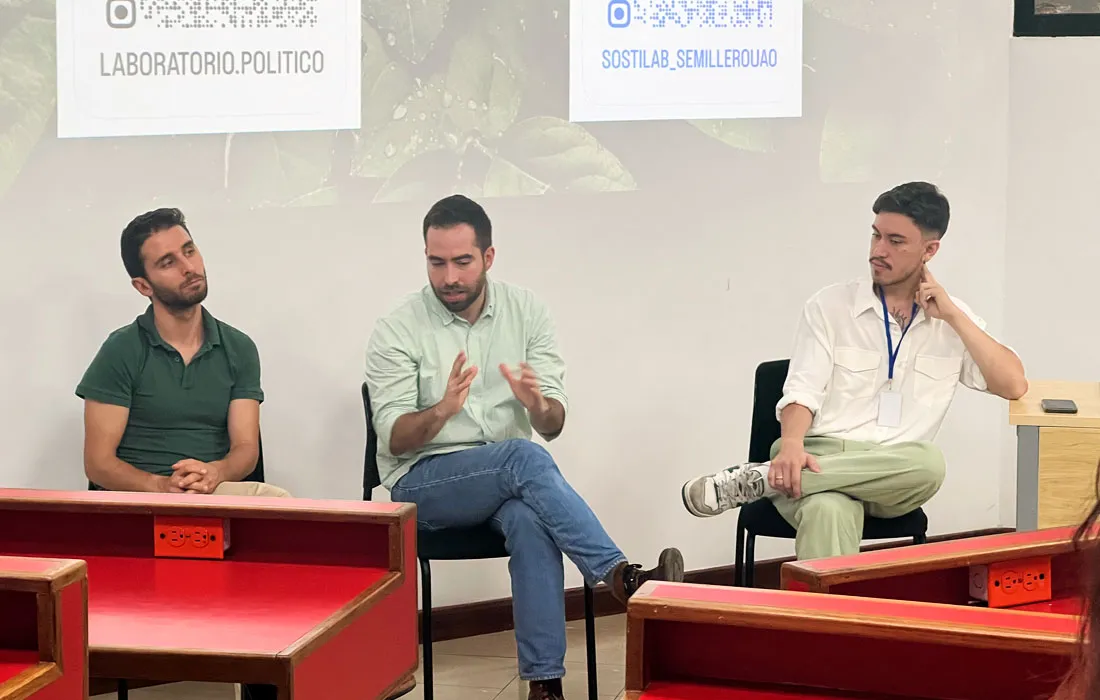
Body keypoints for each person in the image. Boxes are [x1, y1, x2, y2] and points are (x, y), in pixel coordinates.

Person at [364, 194, 685, 700]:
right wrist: (443, 409)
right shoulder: (398, 327)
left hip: (505, 482)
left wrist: (537, 404)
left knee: (529, 518)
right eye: (436, 262)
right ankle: (620, 577)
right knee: (524, 458)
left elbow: (552, 423)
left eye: (462, 262)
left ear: (488, 257)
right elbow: (394, 438)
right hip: (422, 482)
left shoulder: (527, 311)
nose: (449, 277)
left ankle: (545, 686)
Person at [681, 181, 1028, 560]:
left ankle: (764, 480)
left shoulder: (950, 320)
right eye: (876, 235)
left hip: (896, 474)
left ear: (930, 250)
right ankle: (824, 601)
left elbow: (1013, 384)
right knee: (827, 509)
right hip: (814, 453)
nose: (878, 250)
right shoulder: (830, 306)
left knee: (929, 465)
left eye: (895, 241)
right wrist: (793, 444)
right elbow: (802, 389)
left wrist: (955, 317)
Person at [77, 208, 287, 498]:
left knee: (275, 502)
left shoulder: (239, 348)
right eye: (168, 262)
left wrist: (214, 473)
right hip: (140, 497)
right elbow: (98, 464)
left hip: (212, 492)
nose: (188, 267)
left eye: (189, 251)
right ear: (143, 286)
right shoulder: (121, 349)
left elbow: (246, 449)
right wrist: (162, 486)